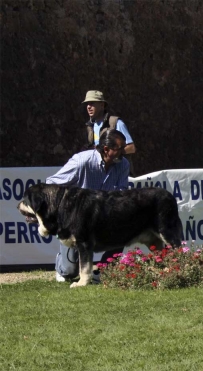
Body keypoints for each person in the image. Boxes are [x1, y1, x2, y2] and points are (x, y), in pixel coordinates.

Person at [48, 129, 130, 282]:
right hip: (76, 220)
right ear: (106, 149)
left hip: (104, 216)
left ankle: (105, 269)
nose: (123, 153)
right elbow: (51, 185)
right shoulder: (82, 161)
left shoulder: (123, 164)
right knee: (69, 273)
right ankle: (62, 264)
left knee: (123, 223)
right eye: (120, 149)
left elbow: (122, 194)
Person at [82, 90, 136, 173]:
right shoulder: (90, 127)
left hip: (118, 172)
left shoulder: (115, 123)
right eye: (87, 104)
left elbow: (132, 148)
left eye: (92, 103)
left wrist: (112, 152)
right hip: (99, 172)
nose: (89, 107)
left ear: (102, 105)